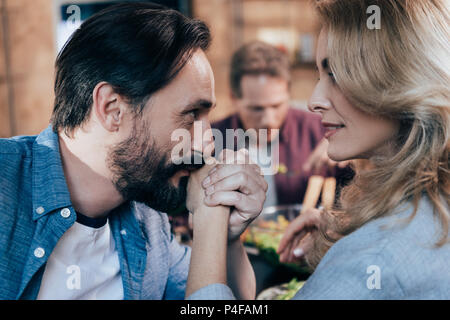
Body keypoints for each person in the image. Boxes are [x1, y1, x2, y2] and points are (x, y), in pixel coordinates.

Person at [0, 3, 267, 300]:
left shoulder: (147, 219)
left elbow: (231, 300)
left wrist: (225, 236)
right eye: (192, 114)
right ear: (113, 109)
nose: (209, 142)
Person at [186, 0, 450, 299]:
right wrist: (346, 233)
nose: (313, 100)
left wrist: (209, 223)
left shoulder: (371, 258)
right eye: (319, 75)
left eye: (335, 75)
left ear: (400, 79)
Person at [212, 41, 350, 207]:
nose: (268, 120)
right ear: (234, 99)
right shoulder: (210, 139)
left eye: (277, 106)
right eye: (256, 109)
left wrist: (348, 151)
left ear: (288, 94)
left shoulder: (320, 130)